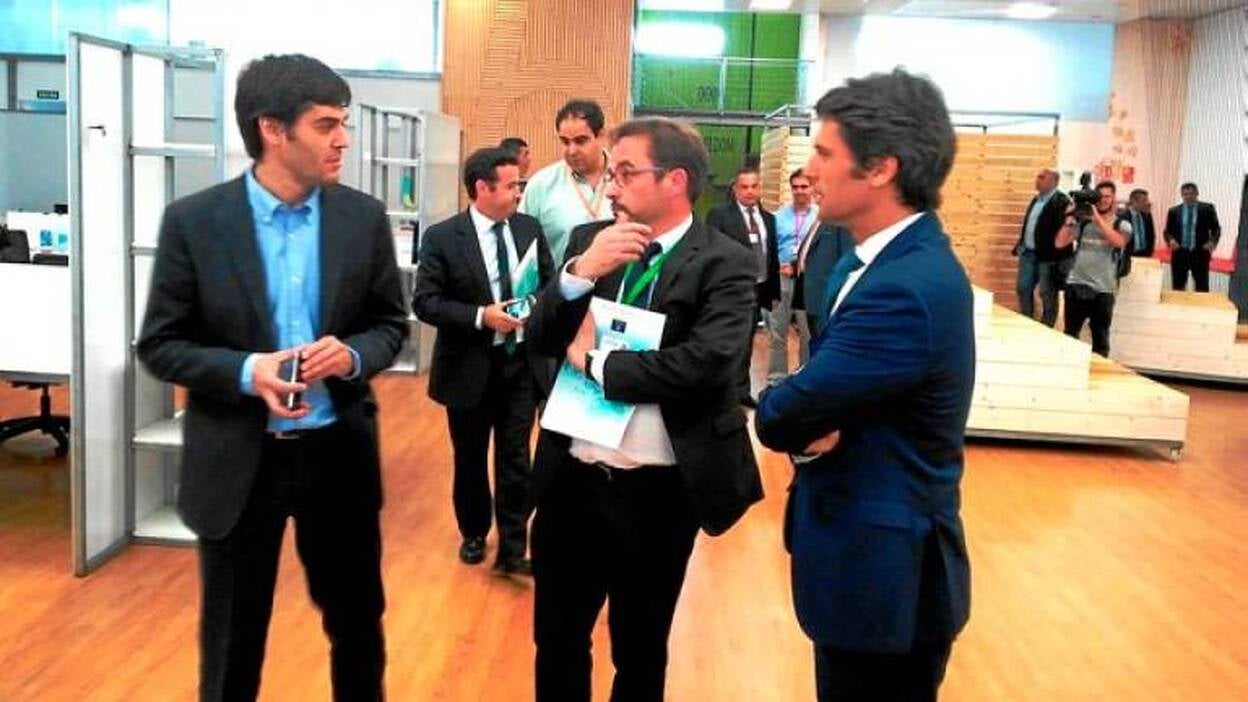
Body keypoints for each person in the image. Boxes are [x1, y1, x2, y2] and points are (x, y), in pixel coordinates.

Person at [137, 54, 407, 701]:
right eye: (326, 125)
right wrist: (245, 370)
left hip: (337, 456)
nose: (343, 140)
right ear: (273, 130)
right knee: (232, 642)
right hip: (238, 462)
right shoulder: (195, 222)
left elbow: (389, 326)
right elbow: (161, 345)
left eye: (343, 124)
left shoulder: (362, 219)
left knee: (357, 627)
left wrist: (351, 356)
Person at [754, 68, 975, 702]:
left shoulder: (904, 288)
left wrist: (798, 410)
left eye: (824, 153)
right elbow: (817, 394)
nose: (809, 170)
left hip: (885, 581)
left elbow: (781, 413)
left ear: (880, 168)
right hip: (867, 567)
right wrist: (813, 412)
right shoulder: (870, 260)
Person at [525, 117, 762, 701]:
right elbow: (541, 336)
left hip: (658, 494)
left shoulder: (725, 262)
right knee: (557, 638)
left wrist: (597, 365)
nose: (611, 186)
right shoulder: (590, 241)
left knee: (640, 648)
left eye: (626, 173)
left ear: (675, 180)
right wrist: (580, 274)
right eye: (612, 173)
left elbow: (706, 364)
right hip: (571, 480)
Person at [413, 147, 555, 576]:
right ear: (482, 188)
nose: (519, 193)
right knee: (470, 458)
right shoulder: (442, 237)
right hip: (468, 367)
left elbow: (548, 283)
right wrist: (481, 316)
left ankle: (513, 546)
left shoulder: (529, 228)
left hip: (519, 365)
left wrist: (534, 307)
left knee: (516, 458)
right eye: (511, 186)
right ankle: (473, 531)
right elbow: (426, 302)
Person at [705, 166, 778, 406]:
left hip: (757, 290)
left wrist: (773, 291)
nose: (749, 191)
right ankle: (720, 394)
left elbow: (772, 256)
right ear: (735, 189)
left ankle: (741, 391)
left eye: (754, 186)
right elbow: (711, 253)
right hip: (728, 290)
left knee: (746, 343)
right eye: (744, 187)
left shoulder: (769, 219)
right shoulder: (719, 215)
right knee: (725, 342)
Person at [520, 99, 613, 265]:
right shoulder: (541, 185)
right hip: (560, 280)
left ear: (601, 135)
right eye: (565, 142)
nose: (572, 151)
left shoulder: (627, 179)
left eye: (581, 141)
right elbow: (523, 247)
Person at [1058, 181, 1128, 356]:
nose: (1103, 200)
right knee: (1070, 336)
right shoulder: (1083, 224)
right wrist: (1069, 219)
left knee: (1100, 339)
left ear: (1113, 198)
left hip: (1103, 290)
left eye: (1107, 197)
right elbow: (1059, 242)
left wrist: (1098, 219)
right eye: (1100, 196)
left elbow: (1118, 242)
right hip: (1076, 285)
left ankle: (1099, 372)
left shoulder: (1122, 224)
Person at [767, 168, 819, 383]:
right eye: (795, 187)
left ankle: (804, 377)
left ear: (812, 188)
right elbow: (770, 248)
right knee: (777, 331)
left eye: (804, 187)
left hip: (808, 281)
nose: (799, 191)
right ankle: (776, 379)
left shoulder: (821, 217)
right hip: (782, 278)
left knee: (807, 332)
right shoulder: (778, 217)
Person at [1013, 168, 1071, 326]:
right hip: (1028, 253)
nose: (1037, 180)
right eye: (1038, 177)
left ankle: (1047, 329)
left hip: (1048, 257)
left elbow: (1066, 230)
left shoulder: (1062, 202)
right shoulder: (1036, 199)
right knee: (1023, 288)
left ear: (1054, 181)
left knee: (1047, 294)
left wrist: (1058, 258)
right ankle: (1026, 323)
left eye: (1042, 177)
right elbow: (1031, 224)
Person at [793, 220, 855, 363]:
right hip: (809, 295)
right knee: (815, 343)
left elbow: (846, 262)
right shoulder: (818, 221)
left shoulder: (841, 222)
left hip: (825, 298)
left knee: (825, 347)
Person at [1163, 182, 1221, 292]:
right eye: (1185, 194)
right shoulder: (1174, 211)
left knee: (1202, 288)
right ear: (1182, 195)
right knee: (1178, 287)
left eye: (1191, 193)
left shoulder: (1207, 209)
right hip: (1180, 253)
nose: (1188, 197)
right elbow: (1167, 232)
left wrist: (1212, 242)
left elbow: (1216, 229)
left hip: (1200, 253)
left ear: (1197, 193)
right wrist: (1171, 240)